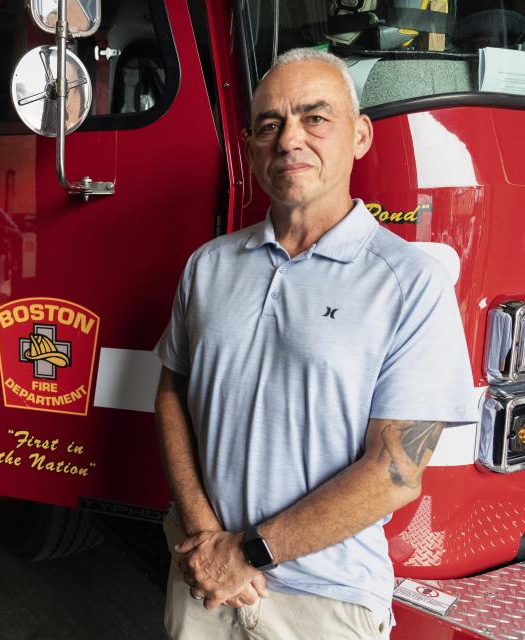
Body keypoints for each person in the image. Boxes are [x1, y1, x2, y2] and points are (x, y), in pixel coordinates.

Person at [153, 48, 478, 640]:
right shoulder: (208, 267)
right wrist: (204, 534)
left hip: (326, 603)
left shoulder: (408, 282)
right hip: (201, 579)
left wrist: (248, 552)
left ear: (359, 136)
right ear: (251, 145)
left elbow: (395, 473)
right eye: (270, 125)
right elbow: (173, 392)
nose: (289, 140)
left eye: (315, 117)